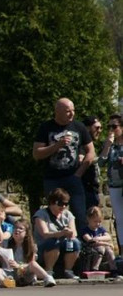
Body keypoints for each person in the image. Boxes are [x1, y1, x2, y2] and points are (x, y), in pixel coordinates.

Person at [33, 97, 94, 230]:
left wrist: (79, 173)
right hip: (52, 179)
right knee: (54, 216)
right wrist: (57, 146)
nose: (72, 114)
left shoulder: (79, 127)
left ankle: (82, 246)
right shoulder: (46, 127)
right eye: (67, 111)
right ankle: (56, 245)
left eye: (73, 110)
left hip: (73, 178)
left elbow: (91, 152)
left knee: (79, 214)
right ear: (57, 111)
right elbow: (37, 153)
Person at [0, 216, 56, 287]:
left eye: (21, 228)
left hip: (24, 272)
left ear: (26, 233)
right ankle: (6, 282)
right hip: (10, 272)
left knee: (33, 264)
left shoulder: (31, 246)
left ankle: (48, 278)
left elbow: (31, 263)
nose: (17, 230)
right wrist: (3, 250)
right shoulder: (7, 242)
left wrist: (18, 266)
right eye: (15, 228)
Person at [33, 188, 82, 279]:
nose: (63, 206)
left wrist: (70, 233)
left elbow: (74, 233)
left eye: (66, 204)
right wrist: (61, 233)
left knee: (75, 242)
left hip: (63, 245)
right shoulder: (41, 214)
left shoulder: (68, 214)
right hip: (44, 246)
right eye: (60, 203)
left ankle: (68, 270)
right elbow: (45, 234)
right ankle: (49, 271)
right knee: (53, 241)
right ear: (52, 202)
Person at [99, 113, 123, 246]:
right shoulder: (110, 144)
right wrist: (107, 145)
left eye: (114, 126)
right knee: (120, 219)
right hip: (114, 185)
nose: (112, 129)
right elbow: (101, 163)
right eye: (109, 126)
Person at [79, 206, 116, 274]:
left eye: (99, 221)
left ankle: (113, 269)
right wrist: (106, 244)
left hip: (102, 246)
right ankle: (95, 268)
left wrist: (98, 238)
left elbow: (108, 237)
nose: (98, 224)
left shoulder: (100, 229)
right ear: (88, 219)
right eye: (95, 221)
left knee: (109, 251)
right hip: (90, 249)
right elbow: (91, 241)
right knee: (101, 249)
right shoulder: (85, 231)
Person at [81, 116, 104, 208]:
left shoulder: (91, 144)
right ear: (87, 128)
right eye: (97, 128)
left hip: (93, 188)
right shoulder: (82, 145)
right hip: (85, 189)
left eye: (101, 128)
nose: (100, 130)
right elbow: (81, 160)